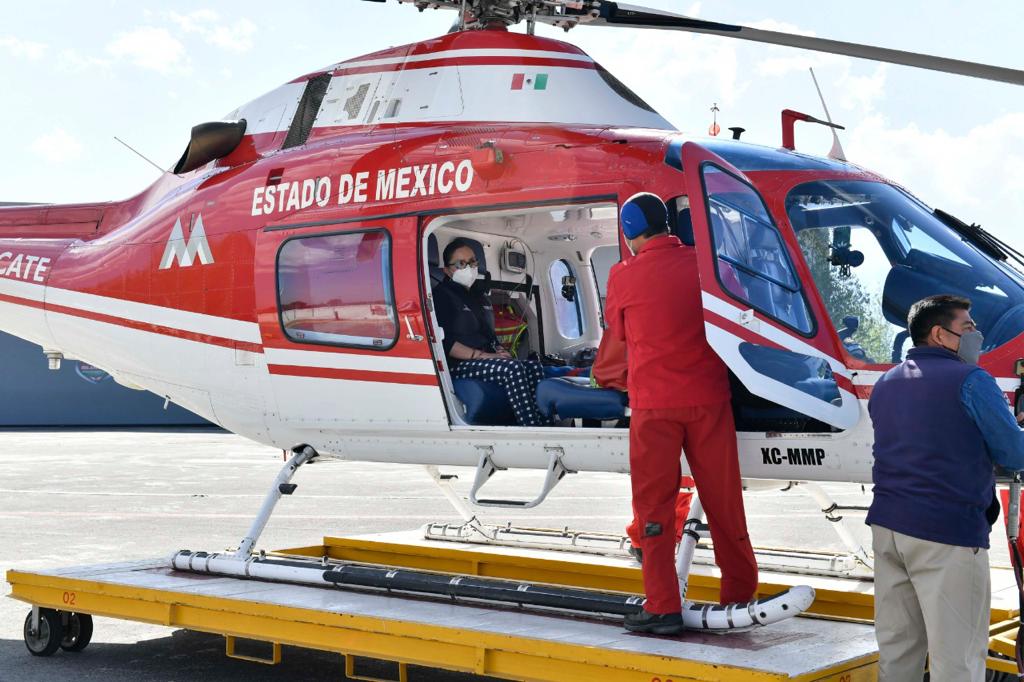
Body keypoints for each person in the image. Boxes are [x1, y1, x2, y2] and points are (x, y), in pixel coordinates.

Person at [606, 193, 758, 635]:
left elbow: (617, 334)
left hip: (654, 407)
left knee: (653, 508)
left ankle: (662, 606)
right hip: (709, 401)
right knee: (725, 503)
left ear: (629, 232)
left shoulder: (624, 275)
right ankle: (739, 596)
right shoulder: (709, 266)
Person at [867, 294, 1024, 681]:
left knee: (898, 651)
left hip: (888, 529)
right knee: (958, 660)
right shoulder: (971, 380)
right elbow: (1014, 453)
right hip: (947, 533)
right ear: (940, 334)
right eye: (968, 327)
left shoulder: (886, 382)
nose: (976, 336)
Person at [588, 330, 695, 561]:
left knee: (660, 478)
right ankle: (650, 539)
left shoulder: (633, 320)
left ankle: (650, 538)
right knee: (665, 477)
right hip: (653, 395)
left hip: (648, 392)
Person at [432, 237, 549, 427]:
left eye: (472, 262)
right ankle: (531, 428)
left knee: (534, 367)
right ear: (447, 270)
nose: (468, 267)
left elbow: (488, 335)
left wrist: (499, 350)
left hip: (484, 359)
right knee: (513, 370)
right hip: (460, 364)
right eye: (461, 264)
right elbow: (446, 343)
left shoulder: (479, 296)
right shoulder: (441, 296)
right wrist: (484, 356)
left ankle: (546, 426)